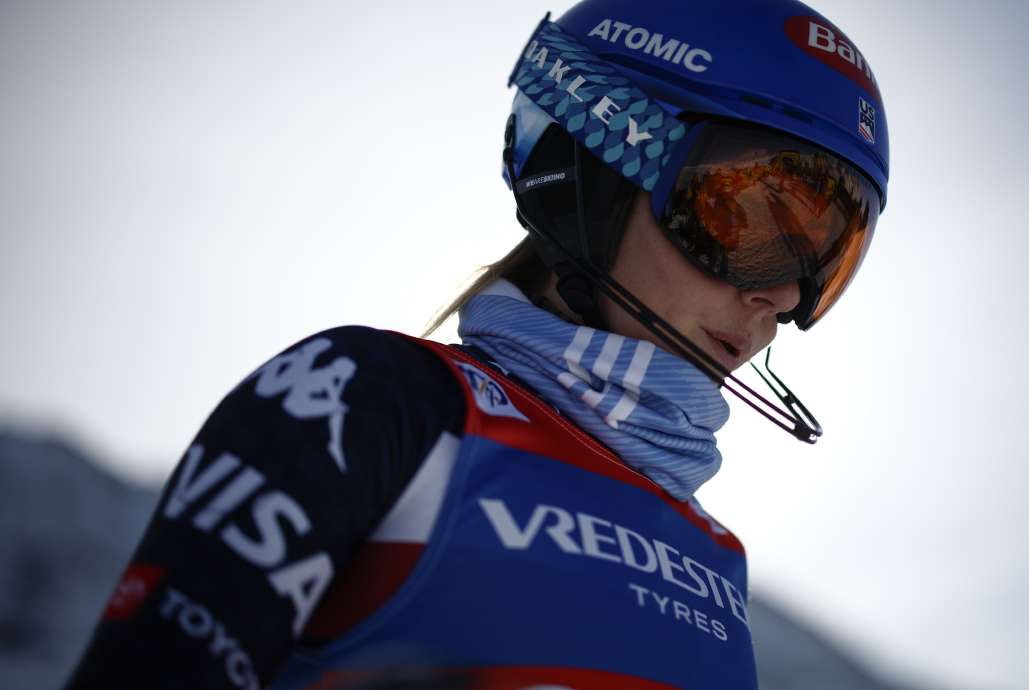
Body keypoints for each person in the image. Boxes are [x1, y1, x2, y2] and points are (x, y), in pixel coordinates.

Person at [64, 1, 889, 688]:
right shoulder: (364, 396)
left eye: (830, 259)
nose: (785, 295)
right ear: (601, 157)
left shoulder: (714, 562)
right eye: (750, 218)